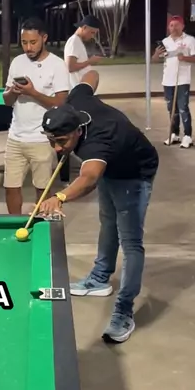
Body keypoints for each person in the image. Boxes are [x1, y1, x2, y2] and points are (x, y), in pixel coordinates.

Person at [38, 71, 159, 344]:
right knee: (108, 221)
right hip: (112, 167)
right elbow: (91, 75)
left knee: (131, 242)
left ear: (77, 130)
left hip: (135, 172)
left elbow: (89, 177)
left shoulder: (97, 143)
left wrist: (60, 197)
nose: (57, 148)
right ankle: (99, 279)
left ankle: (124, 311)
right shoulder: (77, 100)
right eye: (51, 141)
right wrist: (85, 79)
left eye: (62, 141)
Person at [2, 16, 70, 214]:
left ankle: (40, 224)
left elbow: (60, 103)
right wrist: (13, 92)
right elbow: (7, 100)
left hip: (42, 138)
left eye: (33, 42)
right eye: (24, 42)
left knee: (43, 190)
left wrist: (33, 93)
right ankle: (14, 226)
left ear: (44, 38)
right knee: (10, 187)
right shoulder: (17, 62)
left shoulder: (57, 64)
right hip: (15, 136)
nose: (28, 48)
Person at [151, 15, 195, 148]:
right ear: (168, 28)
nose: (174, 28)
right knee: (171, 109)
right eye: (171, 25)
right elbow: (155, 60)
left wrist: (184, 58)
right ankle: (174, 134)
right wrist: (156, 54)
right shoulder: (165, 41)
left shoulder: (190, 40)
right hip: (168, 80)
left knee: (183, 108)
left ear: (182, 26)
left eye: (177, 25)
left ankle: (187, 136)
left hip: (182, 79)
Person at [63, 14, 105, 90]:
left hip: (81, 88)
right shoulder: (74, 41)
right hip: (78, 89)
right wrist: (90, 61)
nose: (93, 36)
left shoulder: (78, 41)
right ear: (84, 27)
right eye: (92, 32)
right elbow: (70, 67)